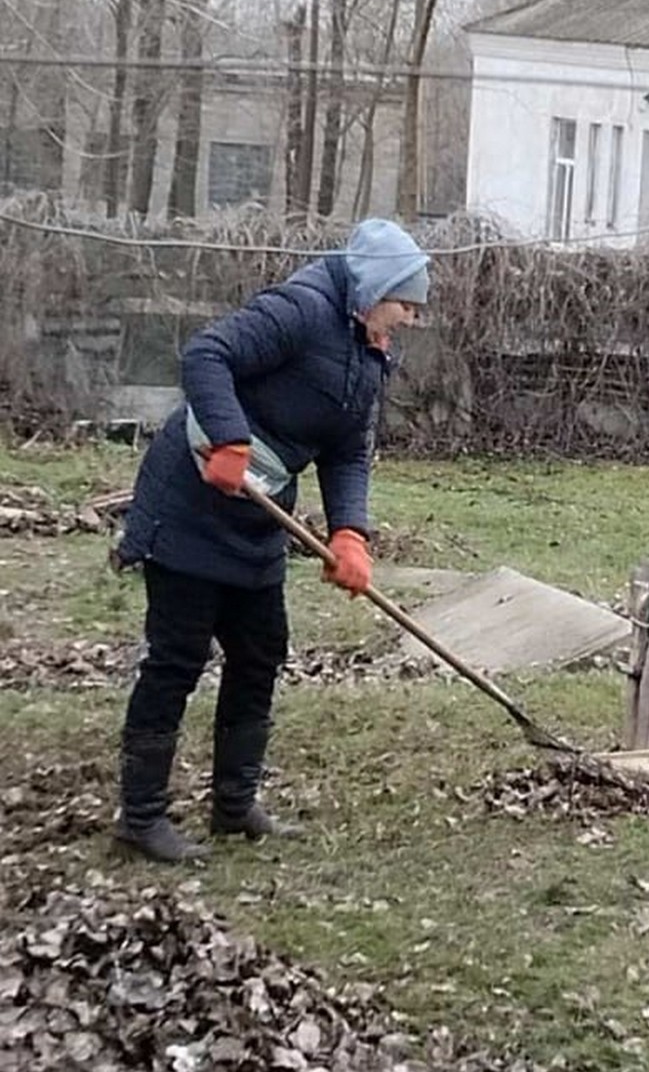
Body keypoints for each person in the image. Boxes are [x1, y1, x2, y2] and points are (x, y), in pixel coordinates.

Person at [114, 217, 430, 862]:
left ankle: (234, 805)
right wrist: (229, 437)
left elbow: (346, 453)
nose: (409, 320)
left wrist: (350, 533)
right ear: (374, 289)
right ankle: (141, 818)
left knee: (261, 653)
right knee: (177, 660)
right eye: (405, 305)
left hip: (257, 514)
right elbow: (207, 354)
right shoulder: (301, 309)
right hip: (193, 499)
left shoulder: (368, 355)